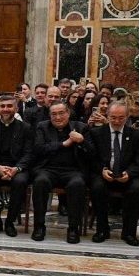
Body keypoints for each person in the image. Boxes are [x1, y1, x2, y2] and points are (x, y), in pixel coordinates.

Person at [30, 102, 92, 244]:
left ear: (68, 114)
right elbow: (38, 149)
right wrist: (63, 144)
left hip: (73, 171)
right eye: (54, 114)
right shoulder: (42, 127)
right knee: (40, 182)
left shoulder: (81, 127)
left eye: (61, 113)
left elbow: (92, 153)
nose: (58, 117)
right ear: (49, 116)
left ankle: (73, 229)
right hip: (48, 169)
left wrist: (82, 141)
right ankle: (39, 226)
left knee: (77, 184)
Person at [89, 100, 139, 247]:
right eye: (113, 117)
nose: (117, 121)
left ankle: (129, 232)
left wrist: (129, 174)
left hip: (127, 175)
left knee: (137, 189)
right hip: (104, 174)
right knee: (97, 187)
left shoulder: (136, 135)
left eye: (121, 118)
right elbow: (91, 158)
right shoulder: (96, 133)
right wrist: (102, 169)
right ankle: (102, 229)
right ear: (107, 115)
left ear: (127, 117)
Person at [0, 94, 32, 237]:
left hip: (17, 167)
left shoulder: (26, 128)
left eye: (9, 106)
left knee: (20, 181)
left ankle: (9, 222)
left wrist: (17, 169)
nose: (6, 109)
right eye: (2, 106)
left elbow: (29, 153)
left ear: (16, 108)